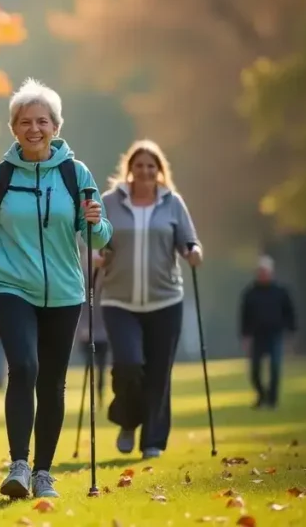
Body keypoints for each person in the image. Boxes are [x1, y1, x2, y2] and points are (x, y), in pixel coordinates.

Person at [0, 78, 111, 499]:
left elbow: (98, 238)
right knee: (24, 367)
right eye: (24, 122)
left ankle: (44, 471)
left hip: (65, 292)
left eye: (42, 121)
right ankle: (19, 465)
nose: (34, 129)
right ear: (13, 129)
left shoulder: (75, 174)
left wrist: (97, 221)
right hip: (12, 287)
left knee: (53, 382)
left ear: (56, 126)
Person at [99, 139, 201, 460]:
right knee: (127, 365)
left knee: (158, 372)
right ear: (129, 169)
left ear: (159, 171)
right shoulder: (109, 202)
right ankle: (128, 420)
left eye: (151, 166)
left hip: (164, 301)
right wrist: (94, 254)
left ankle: (153, 441)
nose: (145, 171)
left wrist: (193, 252)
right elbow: (94, 240)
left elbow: (189, 241)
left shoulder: (173, 203)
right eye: (139, 165)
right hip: (118, 300)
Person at [239, 255, 296, 410]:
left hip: (275, 334)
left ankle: (272, 400)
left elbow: (289, 313)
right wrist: (245, 336)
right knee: (255, 371)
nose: (263, 274)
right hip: (257, 336)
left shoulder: (281, 292)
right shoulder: (250, 293)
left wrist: (290, 332)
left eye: (265, 271)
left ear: (271, 272)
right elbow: (244, 316)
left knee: (275, 368)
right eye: (260, 271)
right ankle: (262, 395)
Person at [76, 245, 109, 405]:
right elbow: (80, 307)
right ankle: (92, 395)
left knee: (102, 366)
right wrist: (82, 328)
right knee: (90, 365)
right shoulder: (81, 278)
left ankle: (100, 394)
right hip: (86, 331)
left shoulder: (107, 277)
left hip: (103, 331)